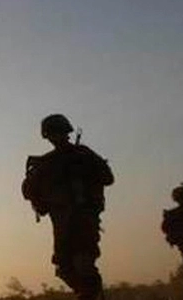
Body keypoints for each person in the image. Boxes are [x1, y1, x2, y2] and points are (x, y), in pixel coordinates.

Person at [22, 114, 114, 300]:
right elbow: (28, 191)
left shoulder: (82, 154)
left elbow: (108, 178)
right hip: (62, 222)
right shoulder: (46, 163)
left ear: (66, 132)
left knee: (84, 263)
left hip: (83, 218)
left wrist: (83, 173)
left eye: (59, 132)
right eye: (52, 134)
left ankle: (91, 294)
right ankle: (92, 294)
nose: (56, 137)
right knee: (64, 268)